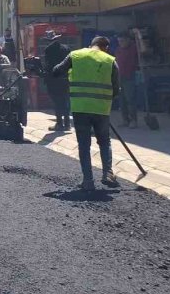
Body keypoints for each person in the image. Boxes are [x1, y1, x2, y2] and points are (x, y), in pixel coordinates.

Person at [53, 36, 121, 191]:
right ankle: (108, 173)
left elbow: (57, 71)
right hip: (101, 109)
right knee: (104, 142)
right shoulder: (110, 61)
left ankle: (88, 181)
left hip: (80, 108)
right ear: (106, 47)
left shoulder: (76, 55)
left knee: (84, 145)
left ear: (91, 45)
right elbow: (116, 89)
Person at [43, 30, 71, 131]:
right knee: (65, 100)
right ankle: (67, 124)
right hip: (65, 78)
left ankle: (59, 123)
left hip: (54, 79)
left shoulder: (48, 50)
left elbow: (48, 65)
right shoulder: (66, 48)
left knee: (57, 101)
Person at [115, 32, 139, 128]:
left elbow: (143, 50)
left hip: (129, 77)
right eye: (119, 41)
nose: (120, 43)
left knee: (130, 99)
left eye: (122, 41)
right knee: (122, 100)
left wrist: (139, 37)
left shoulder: (133, 48)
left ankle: (133, 120)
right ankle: (125, 120)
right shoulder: (118, 50)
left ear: (128, 40)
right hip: (119, 77)